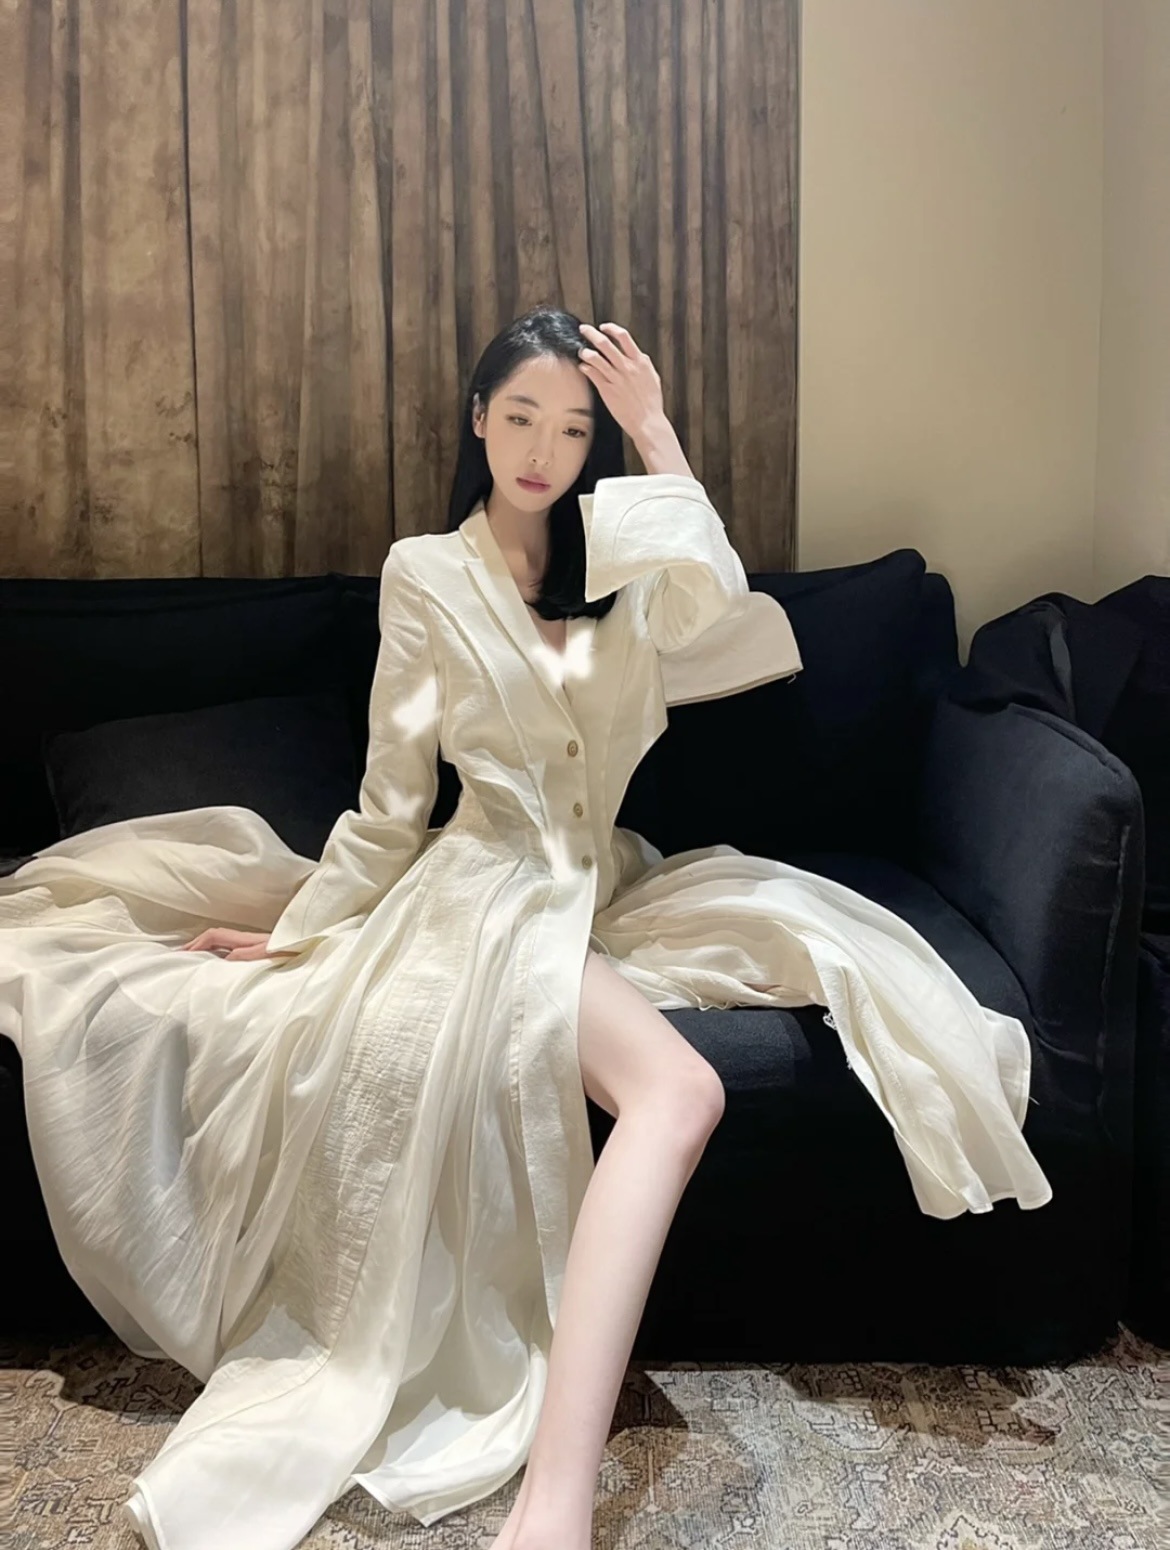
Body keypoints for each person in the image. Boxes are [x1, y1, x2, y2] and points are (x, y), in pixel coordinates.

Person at [0, 305, 1053, 1550]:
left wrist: (657, 434)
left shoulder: (620, 566)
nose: (544, 450)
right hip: (479, 889)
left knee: (811, 977)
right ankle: (555, 1506)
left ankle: (555, 1497)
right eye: (521, 418)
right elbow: (392, 804)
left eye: (572, 428)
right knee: (682, 1090)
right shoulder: (424, 574)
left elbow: (720, 616)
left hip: (590, 885)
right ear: (478, 421)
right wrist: (299, 932)